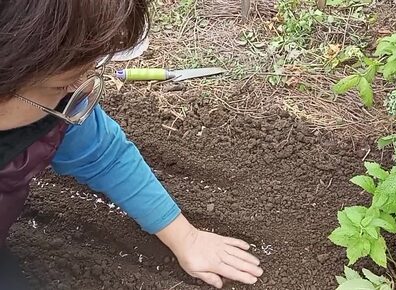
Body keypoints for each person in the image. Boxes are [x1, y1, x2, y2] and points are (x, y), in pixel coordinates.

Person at [0, 1, 263, 289]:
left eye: (89, 71)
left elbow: (104, 155)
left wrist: (185, 237)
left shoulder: (52, 111)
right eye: (62, 85)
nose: (82, 89)